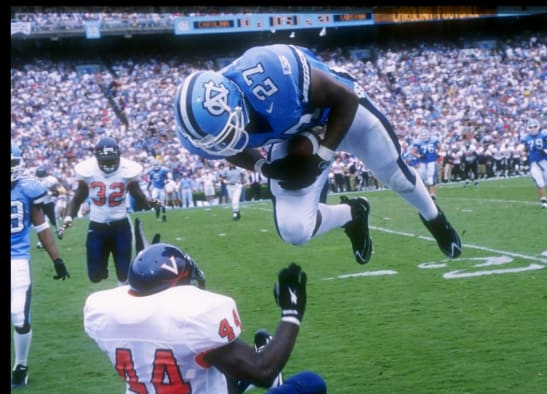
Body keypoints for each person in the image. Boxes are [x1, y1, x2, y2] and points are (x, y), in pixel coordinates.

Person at [173, 44, 462, 264]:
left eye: (227, 131)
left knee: (396, 176)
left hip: (339, 113)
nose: (222, 144)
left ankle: (434, 217)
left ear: (234, 105)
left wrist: (322, 156)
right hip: (296, 133)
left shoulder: (271, 71)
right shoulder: (207, 130)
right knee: (294, 229)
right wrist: (266, 168)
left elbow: (344, 99)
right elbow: (229, 148)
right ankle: (354, 214)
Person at [83, 220, 327, 394]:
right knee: (311, 384)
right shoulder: (190, 320)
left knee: (203, 371)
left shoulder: (107, 315)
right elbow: (262, 370)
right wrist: (292, 311)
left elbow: (147, 295)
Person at [11, 142, 70, 389]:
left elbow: (42, 228)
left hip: (17, 260)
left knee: (19, 315)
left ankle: (21, 366)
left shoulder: (27, 189)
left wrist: (56, 259)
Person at [63, 136, 162, 283]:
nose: (108, 164)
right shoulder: (89, 171)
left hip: (120, 226)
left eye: (111, 160)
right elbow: (78, 198)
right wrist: (68, 217)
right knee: (95, 276)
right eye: (105, 160)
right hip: (97, 226)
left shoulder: (127, 171)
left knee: (124, 275)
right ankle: (103, 267)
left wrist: (149, 202)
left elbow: (138, 194)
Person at [521, 119, 547, 208]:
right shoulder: (526, 138)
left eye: (535, 126)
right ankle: (544, 201)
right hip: (533, 163)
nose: (533, 129)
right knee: (539, 183)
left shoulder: (544, 134)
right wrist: (523, 155)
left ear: (538, 126)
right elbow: (524, 150)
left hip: (544, 161)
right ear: (528, 128)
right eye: (531, 127)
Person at [34, 166, 68, 246]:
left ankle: (58, 230)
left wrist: (50, 193)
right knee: (41, 223)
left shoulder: (50, 180)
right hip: (40, 204)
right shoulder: (34, 181)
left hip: (48, 202)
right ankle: (41, 241)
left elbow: (61, 191)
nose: (41, 178)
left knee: (53, 219)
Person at [411, 127, 440, 199]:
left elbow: (440, 148)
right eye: (423, 136)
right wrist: (419, 155)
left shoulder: (434, 140)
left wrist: (438, 154)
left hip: (431, 161)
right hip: (423, 162)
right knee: (424, 178)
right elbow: (413, 152)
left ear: (429, 135)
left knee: (431, 177)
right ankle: (427, 194)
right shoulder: (418, 142)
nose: (424, 137)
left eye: (426, 136)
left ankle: (433, 193)